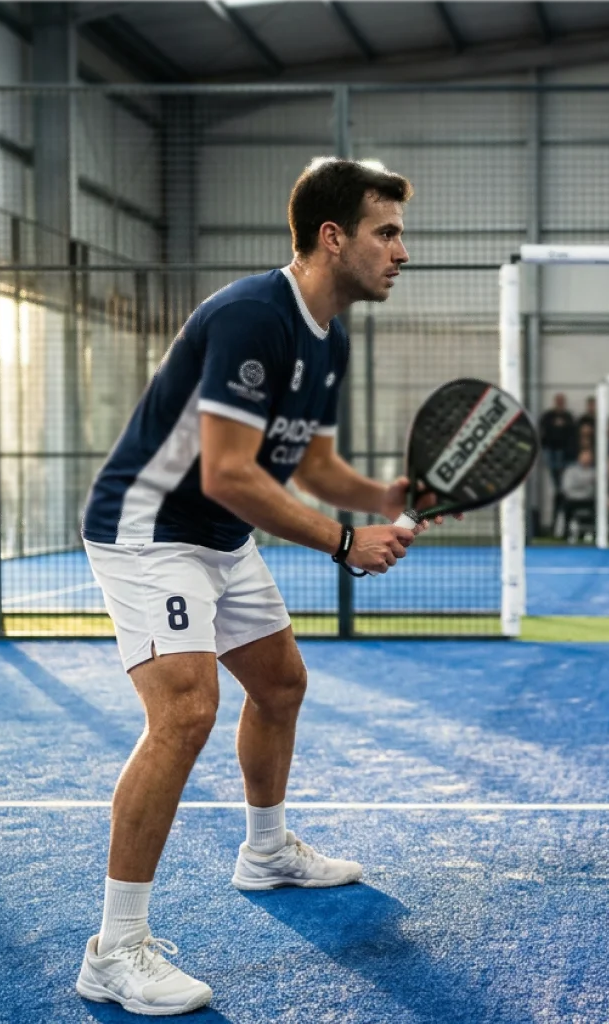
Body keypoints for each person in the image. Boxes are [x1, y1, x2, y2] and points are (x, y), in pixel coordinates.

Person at [75, 158, 443, 1014]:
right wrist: (346, 541)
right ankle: (114, 949)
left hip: (216, 533)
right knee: (187, 711)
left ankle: (267, 853)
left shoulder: (331, 335)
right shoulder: (253, 316)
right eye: (386, 232)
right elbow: (232, 471)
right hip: (149, 529)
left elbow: (309, 462)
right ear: (332, 237)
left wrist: (380, 498)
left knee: (279, 684)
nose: (401, 251)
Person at [538, 393, 578, 490]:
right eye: (558, 401)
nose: (560, 403)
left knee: (563, 471)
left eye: (562, 401)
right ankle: (557, 489)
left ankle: (561, 489)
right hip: (549, 448)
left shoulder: (568, 416)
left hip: (563, 449)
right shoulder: (548, 415)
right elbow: (541, 429)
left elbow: (572, 431)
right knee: (553, 471)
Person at [556, 448, 596, 540]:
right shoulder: (570, 470)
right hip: (572, 499)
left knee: (597, 506)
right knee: (566, 505)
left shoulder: (594, 472)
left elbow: (593, 490)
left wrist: (585, 493)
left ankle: (592, 532)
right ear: (579, 457)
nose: (587, 459)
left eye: (589, 457)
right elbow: (566, 488)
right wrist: (581, 492)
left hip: (588, 499)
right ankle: (566, 533)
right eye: (585, 456)